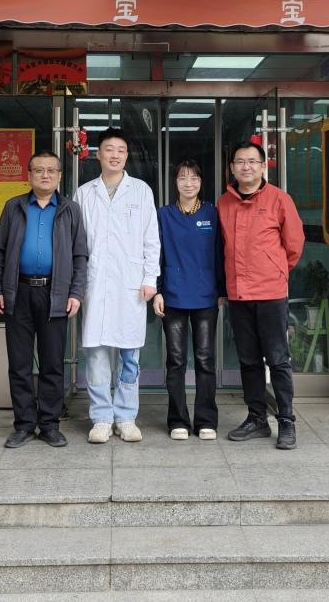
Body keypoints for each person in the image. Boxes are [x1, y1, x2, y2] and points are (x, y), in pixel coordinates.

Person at [0, 150, 87, 449]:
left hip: (54, 294)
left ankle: (49, 425)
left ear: (59, 176)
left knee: (52, 364)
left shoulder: (70, 210)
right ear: (29, 175)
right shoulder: (14, 207)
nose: (45, 175)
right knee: (19, 364)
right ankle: (23, 425)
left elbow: (80, 255)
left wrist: (76, 293)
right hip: (17, 292)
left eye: (51, 170)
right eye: (39, 170)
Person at [217, 139, 305, 450]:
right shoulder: (224, 203)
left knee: (278, 359)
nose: (246, 167)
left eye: (252, 161)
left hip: (270, 293)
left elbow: (294, 246)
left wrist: (275, 271)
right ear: (232, 167)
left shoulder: (279, 199)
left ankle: (287, 420)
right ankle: (257, 418)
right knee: (249, 360)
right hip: (239, 295)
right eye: (240, 162)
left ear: (263, 166)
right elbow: (222, 248)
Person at [75, 127, 160, 443]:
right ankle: (101, 418)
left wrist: (150, 278)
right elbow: (76, 244)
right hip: (95, 284)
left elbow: (151, 239)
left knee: (129, 355)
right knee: (97, 354)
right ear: (98, 154)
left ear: (127, 155)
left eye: (121, 150)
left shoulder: (141, 191)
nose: (115, 155)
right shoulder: (84, 193)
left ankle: (125, 417)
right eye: (109, 149)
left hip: (131, 285)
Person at [153, 159, 224, 441]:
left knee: (205, 360)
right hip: (173, 296)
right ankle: (178, 420)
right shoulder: (163, 215)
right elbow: (155, 254)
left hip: (206, 296)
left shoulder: (212, 213)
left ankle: (206, 420)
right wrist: (157, 290)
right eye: (182, 178)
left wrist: (221, 291)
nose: (188, 183)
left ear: (201, 182)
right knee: (176, 361)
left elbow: (220, 253)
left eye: (194, 178)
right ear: (175, 182)